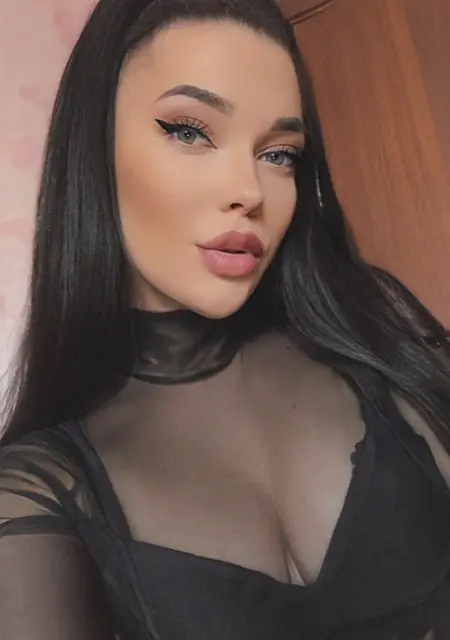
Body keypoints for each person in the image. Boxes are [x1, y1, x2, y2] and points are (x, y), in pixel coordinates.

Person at [0, 0, 449, 637]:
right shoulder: (37, 492)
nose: (250, 191)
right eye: (190, 131)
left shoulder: (380, 329)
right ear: (92, 145)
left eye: (280, 154)